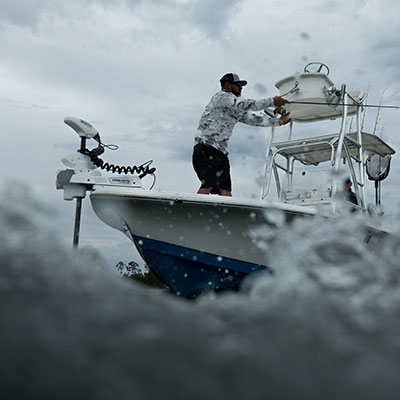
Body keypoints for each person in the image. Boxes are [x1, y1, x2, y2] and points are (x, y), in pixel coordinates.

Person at [192, 72, 291, 196]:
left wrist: (278, 122)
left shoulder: (234, 108)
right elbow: (247, 105)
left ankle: (228, 208)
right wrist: (272, 101)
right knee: (208, 184)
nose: (241, 88)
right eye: (238, 84)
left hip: (220, 152)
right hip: (206, 148)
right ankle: (192, 208)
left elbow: (253, 119)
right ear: (227, 85)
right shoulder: (221, 97)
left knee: (225, 189)